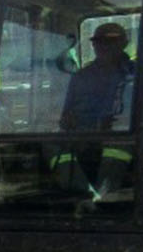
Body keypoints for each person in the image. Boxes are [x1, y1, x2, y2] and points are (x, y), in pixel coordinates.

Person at [55, 21, 137, 198]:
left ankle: (102, 197)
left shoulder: (136, 74)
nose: (104, 47)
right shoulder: (81, 77)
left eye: (111, 42)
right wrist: (72, 128)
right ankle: (79, 194)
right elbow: (67, 113)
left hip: (122, 136)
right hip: (84, 135)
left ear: (123, 43)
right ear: (93, 45)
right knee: (51, 146)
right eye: (99, 42)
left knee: (115, 148)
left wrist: (112, 126)